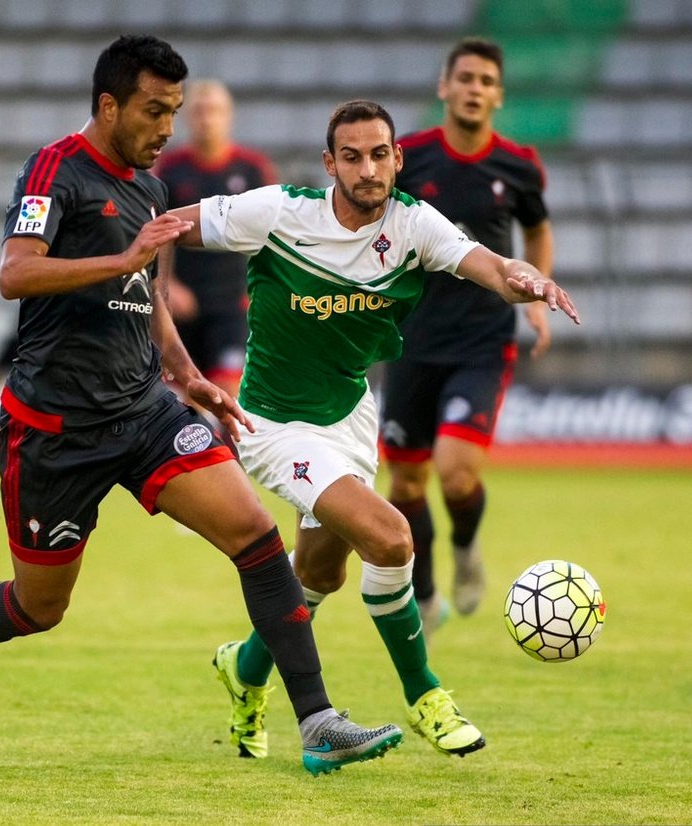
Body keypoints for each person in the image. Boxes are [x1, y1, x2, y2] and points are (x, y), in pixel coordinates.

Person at [0, 34, 403, 778]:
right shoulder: (55, 167)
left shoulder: (151, 191)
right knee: (38, 608)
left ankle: (316, 721)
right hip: (54, 428)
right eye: (154, 111)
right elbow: (14, 272)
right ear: (108, 105)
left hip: (146, 412)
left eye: (176, 111)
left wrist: (186, 376)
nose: (167, 128)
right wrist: (120, 259)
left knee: (256, 538)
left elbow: (147, 297)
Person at [166, 99, 579, 760]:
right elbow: (168, 227)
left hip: (349, 417)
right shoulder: (278, 211)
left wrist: (524, 279)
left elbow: (490, 266)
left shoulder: (414, 224)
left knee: (321, 573)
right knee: (391, 539)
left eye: (379, 153)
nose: (368, 168)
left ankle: (242, 671)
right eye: (352, 156)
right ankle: (426, 698)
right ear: (330, 163)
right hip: (272, 425)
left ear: (397, 157)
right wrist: (125, 273)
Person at [379, 38, 555, 630]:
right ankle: (425, 593)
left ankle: (465, 548)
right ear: (444, 87)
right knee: (405, 479)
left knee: (456, 472)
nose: (475, 89)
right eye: (466, 78)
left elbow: (536, 229)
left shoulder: (518, 165)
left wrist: (538, 293)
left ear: (498, 95)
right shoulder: (412, 158)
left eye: (486, 81)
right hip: (410, 339)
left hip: (482, 340)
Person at [155, 79, 277, 411]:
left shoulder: (252, 169)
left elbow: (275, 234)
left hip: (231, 303)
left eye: (214, 111)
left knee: (227, 391)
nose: (207, 119)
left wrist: (262, 292)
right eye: (199, 111)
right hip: (186, 302)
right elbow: (155, 231)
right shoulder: (171, 169)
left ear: (228, 116)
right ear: (187, 118)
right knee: (188, 396)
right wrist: (170, 287)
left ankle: (233, 460)